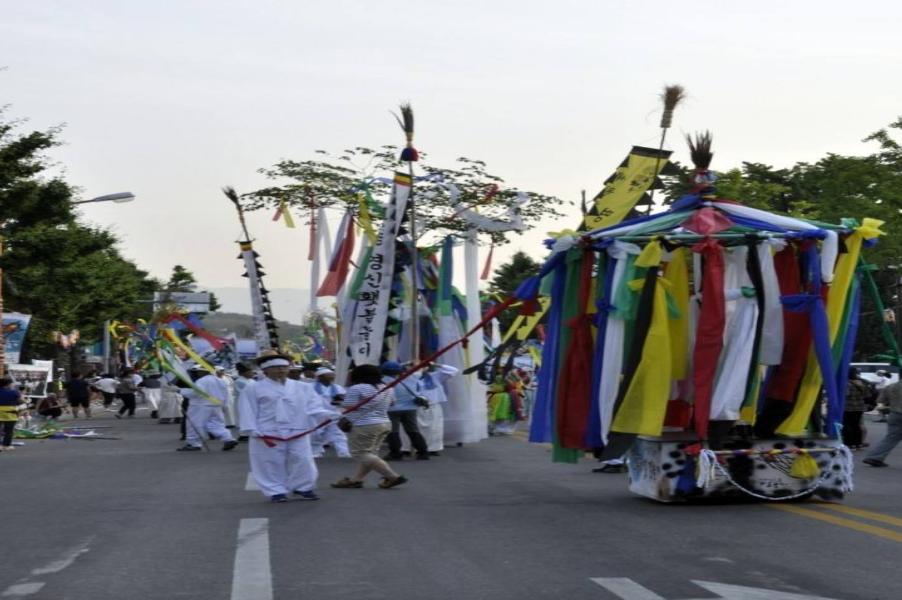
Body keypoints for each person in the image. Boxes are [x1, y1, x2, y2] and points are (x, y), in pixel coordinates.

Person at [238, 352, 339, 503]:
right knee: (269, 462)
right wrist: (251, 429)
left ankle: (303, 487)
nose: (281, 370)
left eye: (284, 367)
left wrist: (329, 414)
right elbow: (247, 409)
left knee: (303, 459)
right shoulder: (254, 388)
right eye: (276, 368)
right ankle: (276, 491)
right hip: (268, 431)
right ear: (266, 371)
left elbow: (313, 407)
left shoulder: (303, 387)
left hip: (298, 429)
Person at [331, 364, 406, 489]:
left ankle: (393, 477)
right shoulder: (386, 387)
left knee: (360, 453)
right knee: (369, 454)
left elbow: (349, 405)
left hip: (364, 425)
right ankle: (356, 480)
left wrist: (339, 402)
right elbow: (392, 403)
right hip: (384, 423)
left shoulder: (357, 387)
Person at [177, 365, 238, 452]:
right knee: (216, 425)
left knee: (194, 424)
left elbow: (195, 393)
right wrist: (224, 406)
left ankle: (193, 443)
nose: (196, 373)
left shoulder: (202, 381)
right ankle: (228, 439)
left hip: (200, 406)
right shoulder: (220, 380)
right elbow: (226, 395)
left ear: (202, 371)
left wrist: (179, 390)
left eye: (197, 371)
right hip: (216, 406)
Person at [381, 361, 429, 461]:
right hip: (410, 408)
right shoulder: (412, 377)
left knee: (393, 432)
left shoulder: (382, 380)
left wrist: (405, 363)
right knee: (413, 431)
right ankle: (423, 452)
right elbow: (421, 369)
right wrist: (408, 364)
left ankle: (395, 453)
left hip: (391, 409)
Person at [412, 363, 458, 456]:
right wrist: (409, 365)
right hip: (416, 406)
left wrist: (437, 365)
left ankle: (433, 448)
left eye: (424, 366)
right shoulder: (410, 377)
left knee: (434, 429)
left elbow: (453, 370)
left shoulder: (435, 377)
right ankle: (414, 448)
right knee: (416, 429)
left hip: (433, 406)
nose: (422, 368)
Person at [310, 367, 350, 458]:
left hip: (334, 414)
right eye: (328, 375)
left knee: (338, 433)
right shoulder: (310, 387)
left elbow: (343, 399)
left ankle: (343, 452)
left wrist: (340, 402)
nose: (332, 377)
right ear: (320, 377)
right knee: (316, 435)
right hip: (317, 415)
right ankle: (316, 451)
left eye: (332, 375)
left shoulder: (338, 388)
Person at [863, 379, 902, 467]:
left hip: (895, 414)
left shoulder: (890, 386)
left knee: (891, 438)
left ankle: (874, 457)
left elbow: (880, 400)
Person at [843, 368, 870, 449]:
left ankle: (849, 443)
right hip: (859, 407)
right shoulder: (862, 383)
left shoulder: (847, 383)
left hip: (848, 407)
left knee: (848, 426)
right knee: (856, 425)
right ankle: (858, 443)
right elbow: (867, 395)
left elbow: (846, 394)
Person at [0, 377, 22, 452]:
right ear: (8, 384)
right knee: (9, 430)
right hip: (10, 413)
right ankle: (6, 446)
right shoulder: (14, 392)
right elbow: (20, 401)